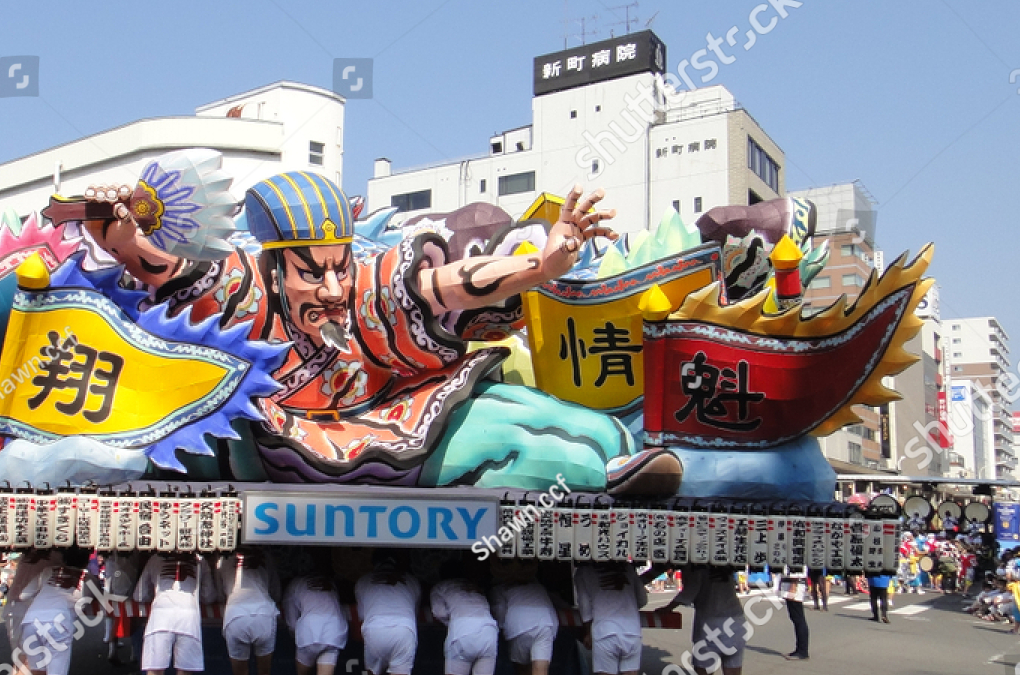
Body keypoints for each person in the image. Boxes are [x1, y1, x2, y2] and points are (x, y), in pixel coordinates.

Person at [63, 176, 667, 494]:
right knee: (531, 445)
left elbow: (450, 284)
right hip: (281, 439)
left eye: (339, 266)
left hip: (393, 414)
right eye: (310, 271)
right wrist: (118, 236)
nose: (330, 288)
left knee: (538, 412)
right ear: (274, 266)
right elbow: (155, 266)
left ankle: (618, 455)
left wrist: (543, 265)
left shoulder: (369, 285)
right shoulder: (238, 287)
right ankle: (595, 466)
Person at [780, 566, 810, 659]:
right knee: (795, 618)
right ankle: (799, 649)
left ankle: (802, 651)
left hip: (794, 586)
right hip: (790, 584)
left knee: (798, 619)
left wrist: (793, 587)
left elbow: (796, 570)